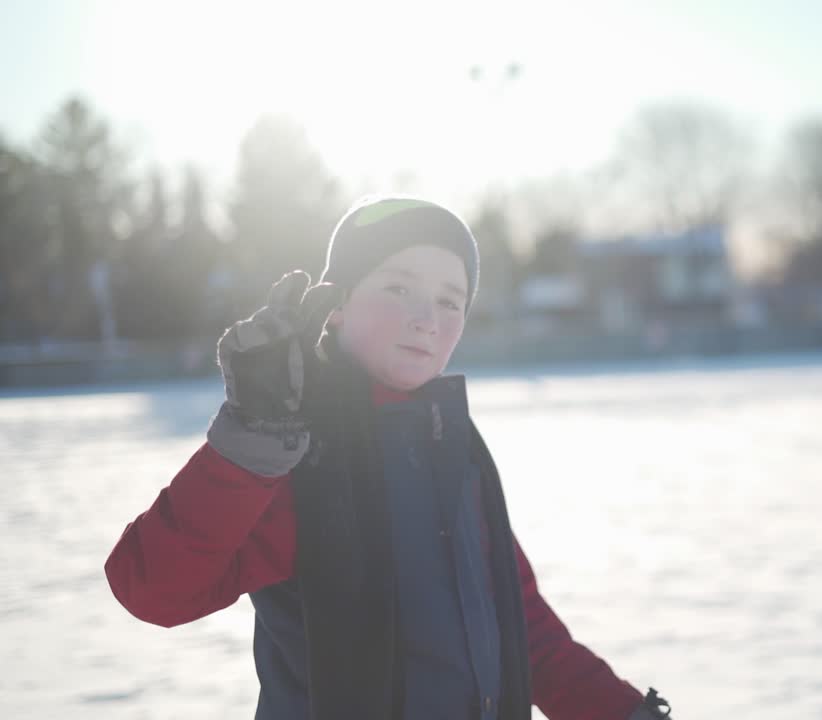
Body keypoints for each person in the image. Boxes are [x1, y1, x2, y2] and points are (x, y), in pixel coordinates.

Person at [104, 196, 673, 720]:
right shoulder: (300, 452)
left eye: (450, 300)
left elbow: (524, 631)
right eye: (398, 289)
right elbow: (151, 588)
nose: (427, 317)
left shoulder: (456, 450)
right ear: (336, 307)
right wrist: (251, 439)